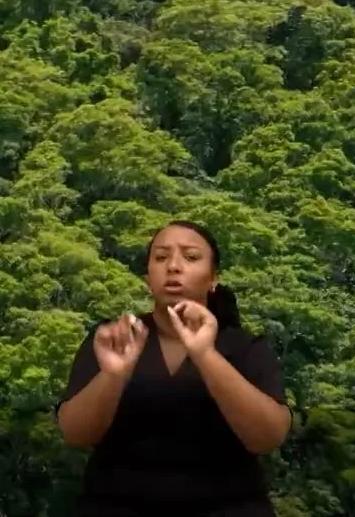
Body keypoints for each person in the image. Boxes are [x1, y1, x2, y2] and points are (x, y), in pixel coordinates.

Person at [55, 220, 293, 516]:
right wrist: (114, 375)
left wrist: (205, 355)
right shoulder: (115, 340)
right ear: (147, 277)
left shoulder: (244, 347)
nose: (173, 266)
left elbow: (269, 437)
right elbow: (75, 433)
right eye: (161, 257)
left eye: (190, 257)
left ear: (213, 278)